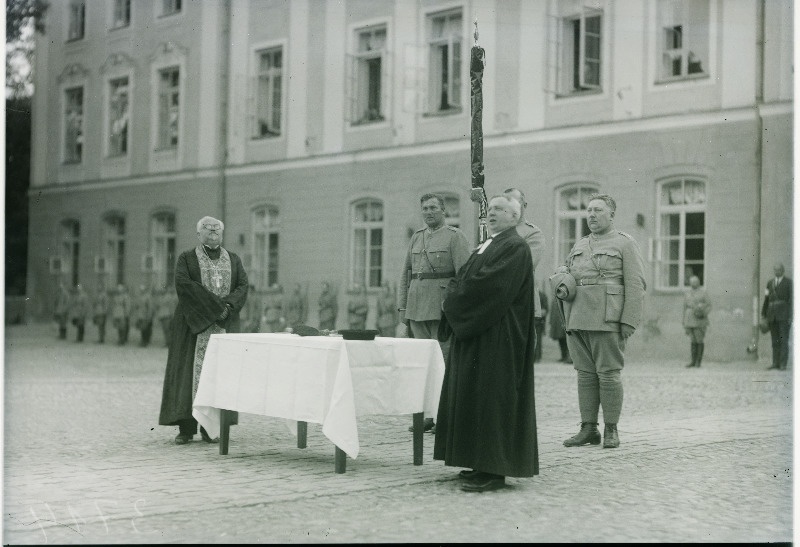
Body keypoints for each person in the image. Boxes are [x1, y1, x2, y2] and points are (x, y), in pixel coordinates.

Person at [434, 194, 538, 492]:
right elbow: (462, 277)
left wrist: (454, 299)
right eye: (490, 209)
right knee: (474, 396)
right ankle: (476, 461)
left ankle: (494, 469)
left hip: (498, 336)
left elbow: (489, 287)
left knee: (492, 399)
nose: (492, 213)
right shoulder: (486, 244)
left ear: (515, 217)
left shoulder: (515, 247)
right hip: (478, 333)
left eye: (500, 209)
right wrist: (455, 295)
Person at [554, 193, 645, 450]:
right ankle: (588, 428)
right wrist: (562, 274)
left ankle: (611, 429)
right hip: (578, 316)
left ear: (611, 215)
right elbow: (570, 272)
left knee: (608, 374)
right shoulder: (580, 244)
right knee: (584, 375)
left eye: (597, 210)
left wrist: (628, 320)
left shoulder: (625, 243)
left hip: (608, 317)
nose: (591, 215)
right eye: (589, 210)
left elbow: (636, 284)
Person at [159, 216, 249, 445]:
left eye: (216, 231)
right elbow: (185, 286)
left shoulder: (234, 260)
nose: (212, 234)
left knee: (220, 375)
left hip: (224, 326)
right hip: (193, 325)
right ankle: (186, 427)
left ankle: (211, 428)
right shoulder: (187, 259)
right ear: (198, 234)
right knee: (187, 375)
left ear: (222, 234)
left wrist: (227, 307)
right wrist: (215, 309)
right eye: (207, 231)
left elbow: (242, 286)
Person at [399, 193, 471, 433]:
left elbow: (464, 277)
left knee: (444, 365)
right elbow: (405, 275)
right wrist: (403, 310)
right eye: (424, 208)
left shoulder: (455, 237)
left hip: (442, 311)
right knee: (422, 366)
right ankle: (428, 415)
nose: (428, 212)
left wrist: (457, 311)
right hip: (417, 308)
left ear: (443, 211)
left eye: (433, 208)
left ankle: (446, 417)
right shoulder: (416, 238)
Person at [504, 187, 546, 335]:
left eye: (516, 202)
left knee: (521, 353)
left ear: (524, 205)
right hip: (496, 303)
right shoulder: (495, 232)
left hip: (521, 301)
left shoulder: (533, 233)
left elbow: (523, 266)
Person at [761, 263, 792, 370]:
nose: (776, 272)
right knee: (774, 340)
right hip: (772, 315)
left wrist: (790, 316)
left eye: (779, 270)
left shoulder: (789, 283)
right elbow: (766, 299)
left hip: (783, 315)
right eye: (775, 270)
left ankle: (783, 364)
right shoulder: (770, 283)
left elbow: (792, 300)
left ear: (783, 271)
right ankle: (775, 363)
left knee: (783, 339)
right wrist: (763, 314)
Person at [682, 275, 711, 368]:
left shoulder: (703, 293)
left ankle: (698, 362)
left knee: (699, 339)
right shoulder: (687, 293)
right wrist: (683, 321)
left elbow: (709, 305)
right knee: (692, 340)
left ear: (698, 282)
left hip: (699, 319)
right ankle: (693, 361)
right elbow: (684, 307)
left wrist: (703, 312)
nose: (693, 283)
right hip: (689, 318)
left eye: (695, 282)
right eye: (691, 282)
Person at [549, 293, 572, 364]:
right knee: (561, 341)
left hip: (563, 324)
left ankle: (569, 358)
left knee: (566, 341)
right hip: (556, 325)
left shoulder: (564, 299)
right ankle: (563, 356)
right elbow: (552, 313)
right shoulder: (554, 300)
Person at [533, 283, 548, 363]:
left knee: (538, 340)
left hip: (539, 322)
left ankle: (537, 357)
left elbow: (545, 309)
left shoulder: (542, 295)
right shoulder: (532, 294)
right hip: (534, 321)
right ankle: (534, 357)